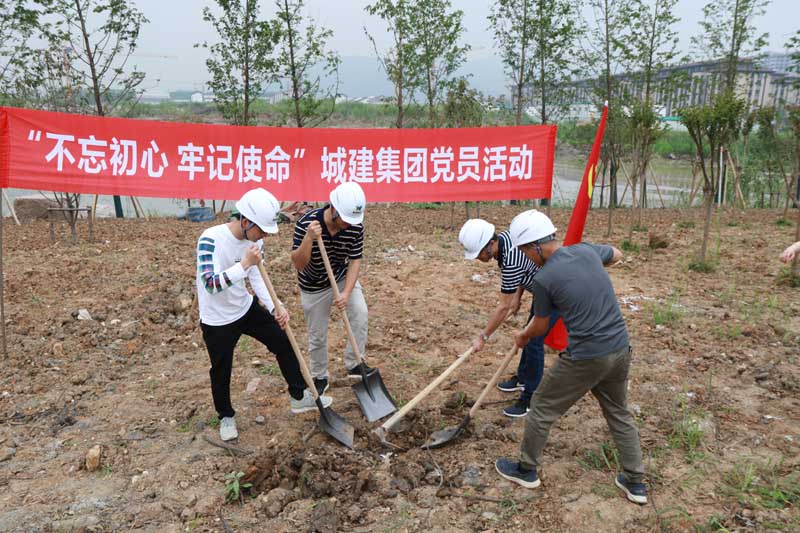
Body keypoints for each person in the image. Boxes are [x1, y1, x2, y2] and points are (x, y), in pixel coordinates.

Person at [494, 210, 647, 505]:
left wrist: (522, 336)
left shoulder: (545, 279)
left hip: (586, 357)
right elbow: (616, 253)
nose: (526, 257)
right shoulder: (586, 250)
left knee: (540, 406)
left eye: (526, 251)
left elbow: (539, 327)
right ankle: (635, 481)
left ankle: (526, 470)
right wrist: (599, 265)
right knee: (618, 411)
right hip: (619, 349)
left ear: (536, 246)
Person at [196, 188, 332, 442]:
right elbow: (211, 284)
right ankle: (226, 416)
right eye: (261, 230)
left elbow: (258, 276)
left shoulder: (254, 241)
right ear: (245, 222)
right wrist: (244, 264)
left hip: (244, 307)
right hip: (217, 319)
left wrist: (275, 306)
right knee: (221, 368)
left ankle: (299, 395)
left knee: (283, 341)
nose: (263, 237)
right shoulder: (210, 239)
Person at [458, 219, 559, 418]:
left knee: (534, 341)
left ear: (489, 245)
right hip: (542, 291)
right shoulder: (506, 239)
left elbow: (502, 308)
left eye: (478, 253)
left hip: (555, 294)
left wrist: (483, 337)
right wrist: (518, 297)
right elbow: (526, 267)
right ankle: (523, 378)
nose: (478, 258)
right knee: (528, 338)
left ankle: (531, 397)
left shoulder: (510, 260)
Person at [290, 182, 372, 395]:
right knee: (317, 334)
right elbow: (298, 263)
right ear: (334, 209)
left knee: (360, 313)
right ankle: (319, 375)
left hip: (341, 277)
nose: (348, 224)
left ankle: (355, 363)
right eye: (345, 219)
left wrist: (346, 293)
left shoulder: (355, 226)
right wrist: (309, 238)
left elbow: (355, 261)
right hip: (313, 286)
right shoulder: (306, 223)